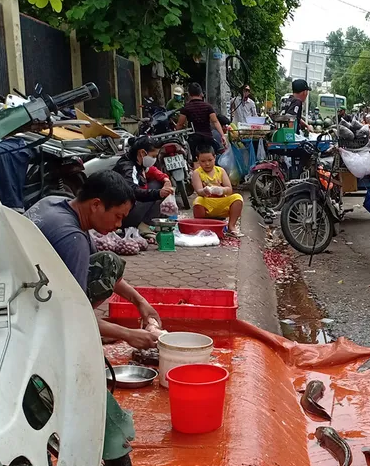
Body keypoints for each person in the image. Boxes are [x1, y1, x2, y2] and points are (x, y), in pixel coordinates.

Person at [26, 171, 162, 350]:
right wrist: (127, 334)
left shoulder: (53, 202)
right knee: (107, 263)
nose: (119, 225)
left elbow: (108, 272)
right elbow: (74, 311)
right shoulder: (72, 239)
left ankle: (96, 328)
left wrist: (140, 302)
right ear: (96, 205)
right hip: (33, 306)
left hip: (23, 283)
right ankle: (84, 331)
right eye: (118, 216)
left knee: (107, 263)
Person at [113, 136, 174, 236]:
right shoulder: (128, 166)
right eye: (153, 156)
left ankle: (144, 224)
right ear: (142, 153)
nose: (154, 159)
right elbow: (132, 191)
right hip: (123, 215)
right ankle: (143, 225)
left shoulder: (139, 164)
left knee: (159, 184)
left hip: (128, 209)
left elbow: (152, 170)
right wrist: (158, 193)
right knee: (157, 188)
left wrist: (165, 179)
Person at [191, 146, 245, 237]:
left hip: (221, 203)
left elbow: (229, 189)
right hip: (207, 203)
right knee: (197, 202)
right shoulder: (197, 173)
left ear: (214, 157)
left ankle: (231, 226)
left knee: (237, 198)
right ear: (198, 160)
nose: (207, 164)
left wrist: (221, 190)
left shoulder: (220, 171)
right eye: (203, 161)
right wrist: (205, 191)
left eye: (210, 160)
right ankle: (201, 226)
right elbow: (199, 191)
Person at [176, 83, 226, 155]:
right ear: (201, 94)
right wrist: (222, 135)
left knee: (195, 159)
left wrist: (177, 131)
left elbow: (180, 124)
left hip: (194, 138)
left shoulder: (186, 107)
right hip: (208, 137)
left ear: (189, 94)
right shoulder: (208, 106)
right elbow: (215, 121)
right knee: (211, 156)